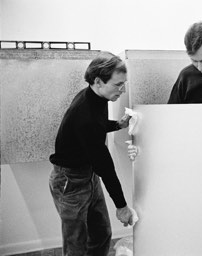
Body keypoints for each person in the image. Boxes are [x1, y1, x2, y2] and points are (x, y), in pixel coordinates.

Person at [49, 52, 138, 256]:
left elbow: (95, 127)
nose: (122, 89)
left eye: (123, 83)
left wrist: (117, 124)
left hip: (87, 174)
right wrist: (122, 206)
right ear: (98, 81)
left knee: (101, 234)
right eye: (117, 84)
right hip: (70, 182)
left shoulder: (94, 96)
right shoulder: (85, 112)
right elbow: (104, 166)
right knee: (76, 245)